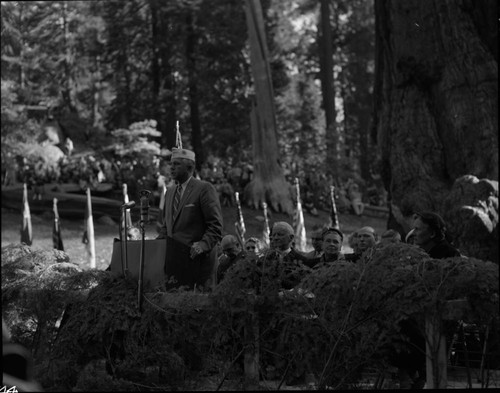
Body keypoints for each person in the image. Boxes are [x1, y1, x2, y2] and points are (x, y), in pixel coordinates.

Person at [157, 148, 223, 290]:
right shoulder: (170, 192)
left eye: (176, 164)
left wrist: (203, 245)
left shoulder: (204, 189)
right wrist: (155, 248)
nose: (172, 167)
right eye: (171, 164)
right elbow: (166, 227)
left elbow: (215, 226)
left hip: (198, 266)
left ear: (190, 167)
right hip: (174, 267)